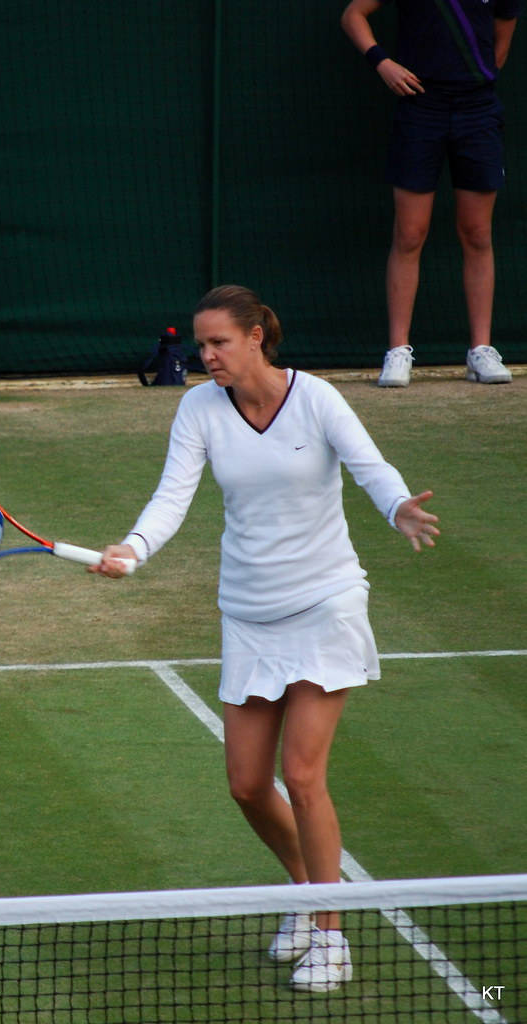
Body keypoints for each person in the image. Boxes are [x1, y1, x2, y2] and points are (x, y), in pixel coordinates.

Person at [91, 285, 439, 992]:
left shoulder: (316, 400)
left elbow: (368, 465)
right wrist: (134, 547)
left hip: (325, 602)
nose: (205, 355)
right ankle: (307, 894)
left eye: (218, 342)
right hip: (248, 612)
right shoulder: (198, 409)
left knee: (303, 776)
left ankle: (331, 935)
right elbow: (172, 494)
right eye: (201, 344)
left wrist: (397, 503)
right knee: (249, 785)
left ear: (257, 337)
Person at [340, 0, 520, 388]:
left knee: (477, 233)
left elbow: (501, 45)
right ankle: (398, 351)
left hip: (479, 112)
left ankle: (481, 350)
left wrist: (472, 83)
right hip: (420, 108)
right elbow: (353, 14)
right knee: (409, 233)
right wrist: (382, 62)